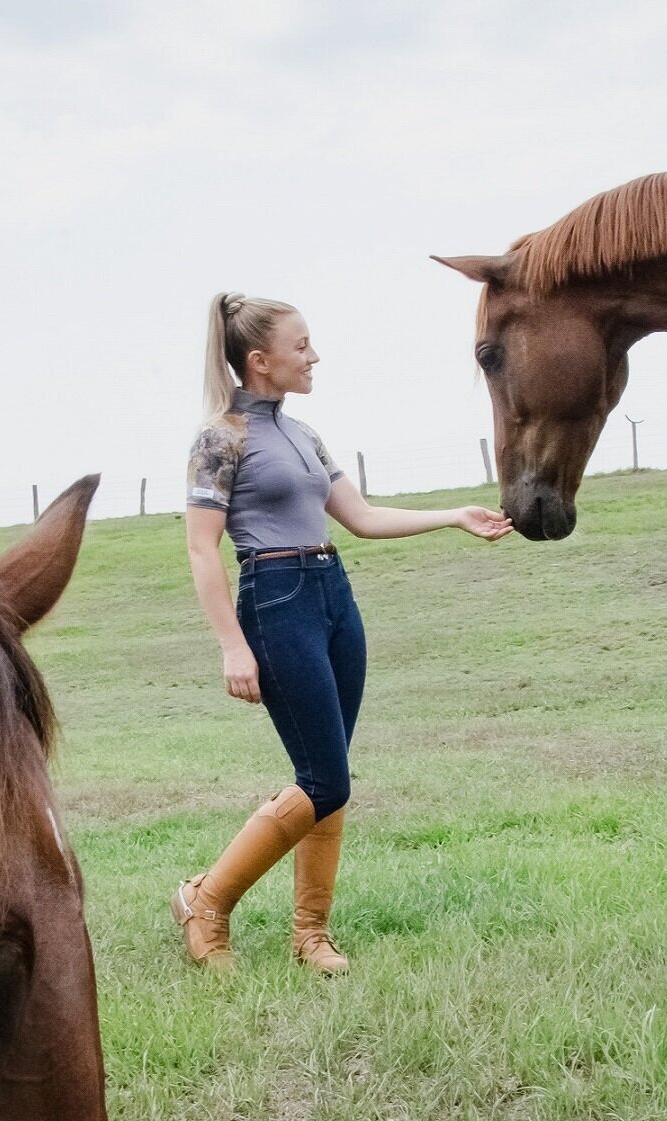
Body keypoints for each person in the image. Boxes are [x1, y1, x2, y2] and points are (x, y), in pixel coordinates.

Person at [173, 291, 513, 974]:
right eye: (302, 347)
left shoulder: (303, 435)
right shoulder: (221, 438)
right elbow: (201, 549)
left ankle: (310, 935)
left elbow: (357, 515)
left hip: (332, 594)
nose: (315, 356)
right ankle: (206, 902)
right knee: (325, 780)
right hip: (274, 599)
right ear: (260, 360)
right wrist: (231, 645)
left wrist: (453, 516)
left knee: (328, 777)